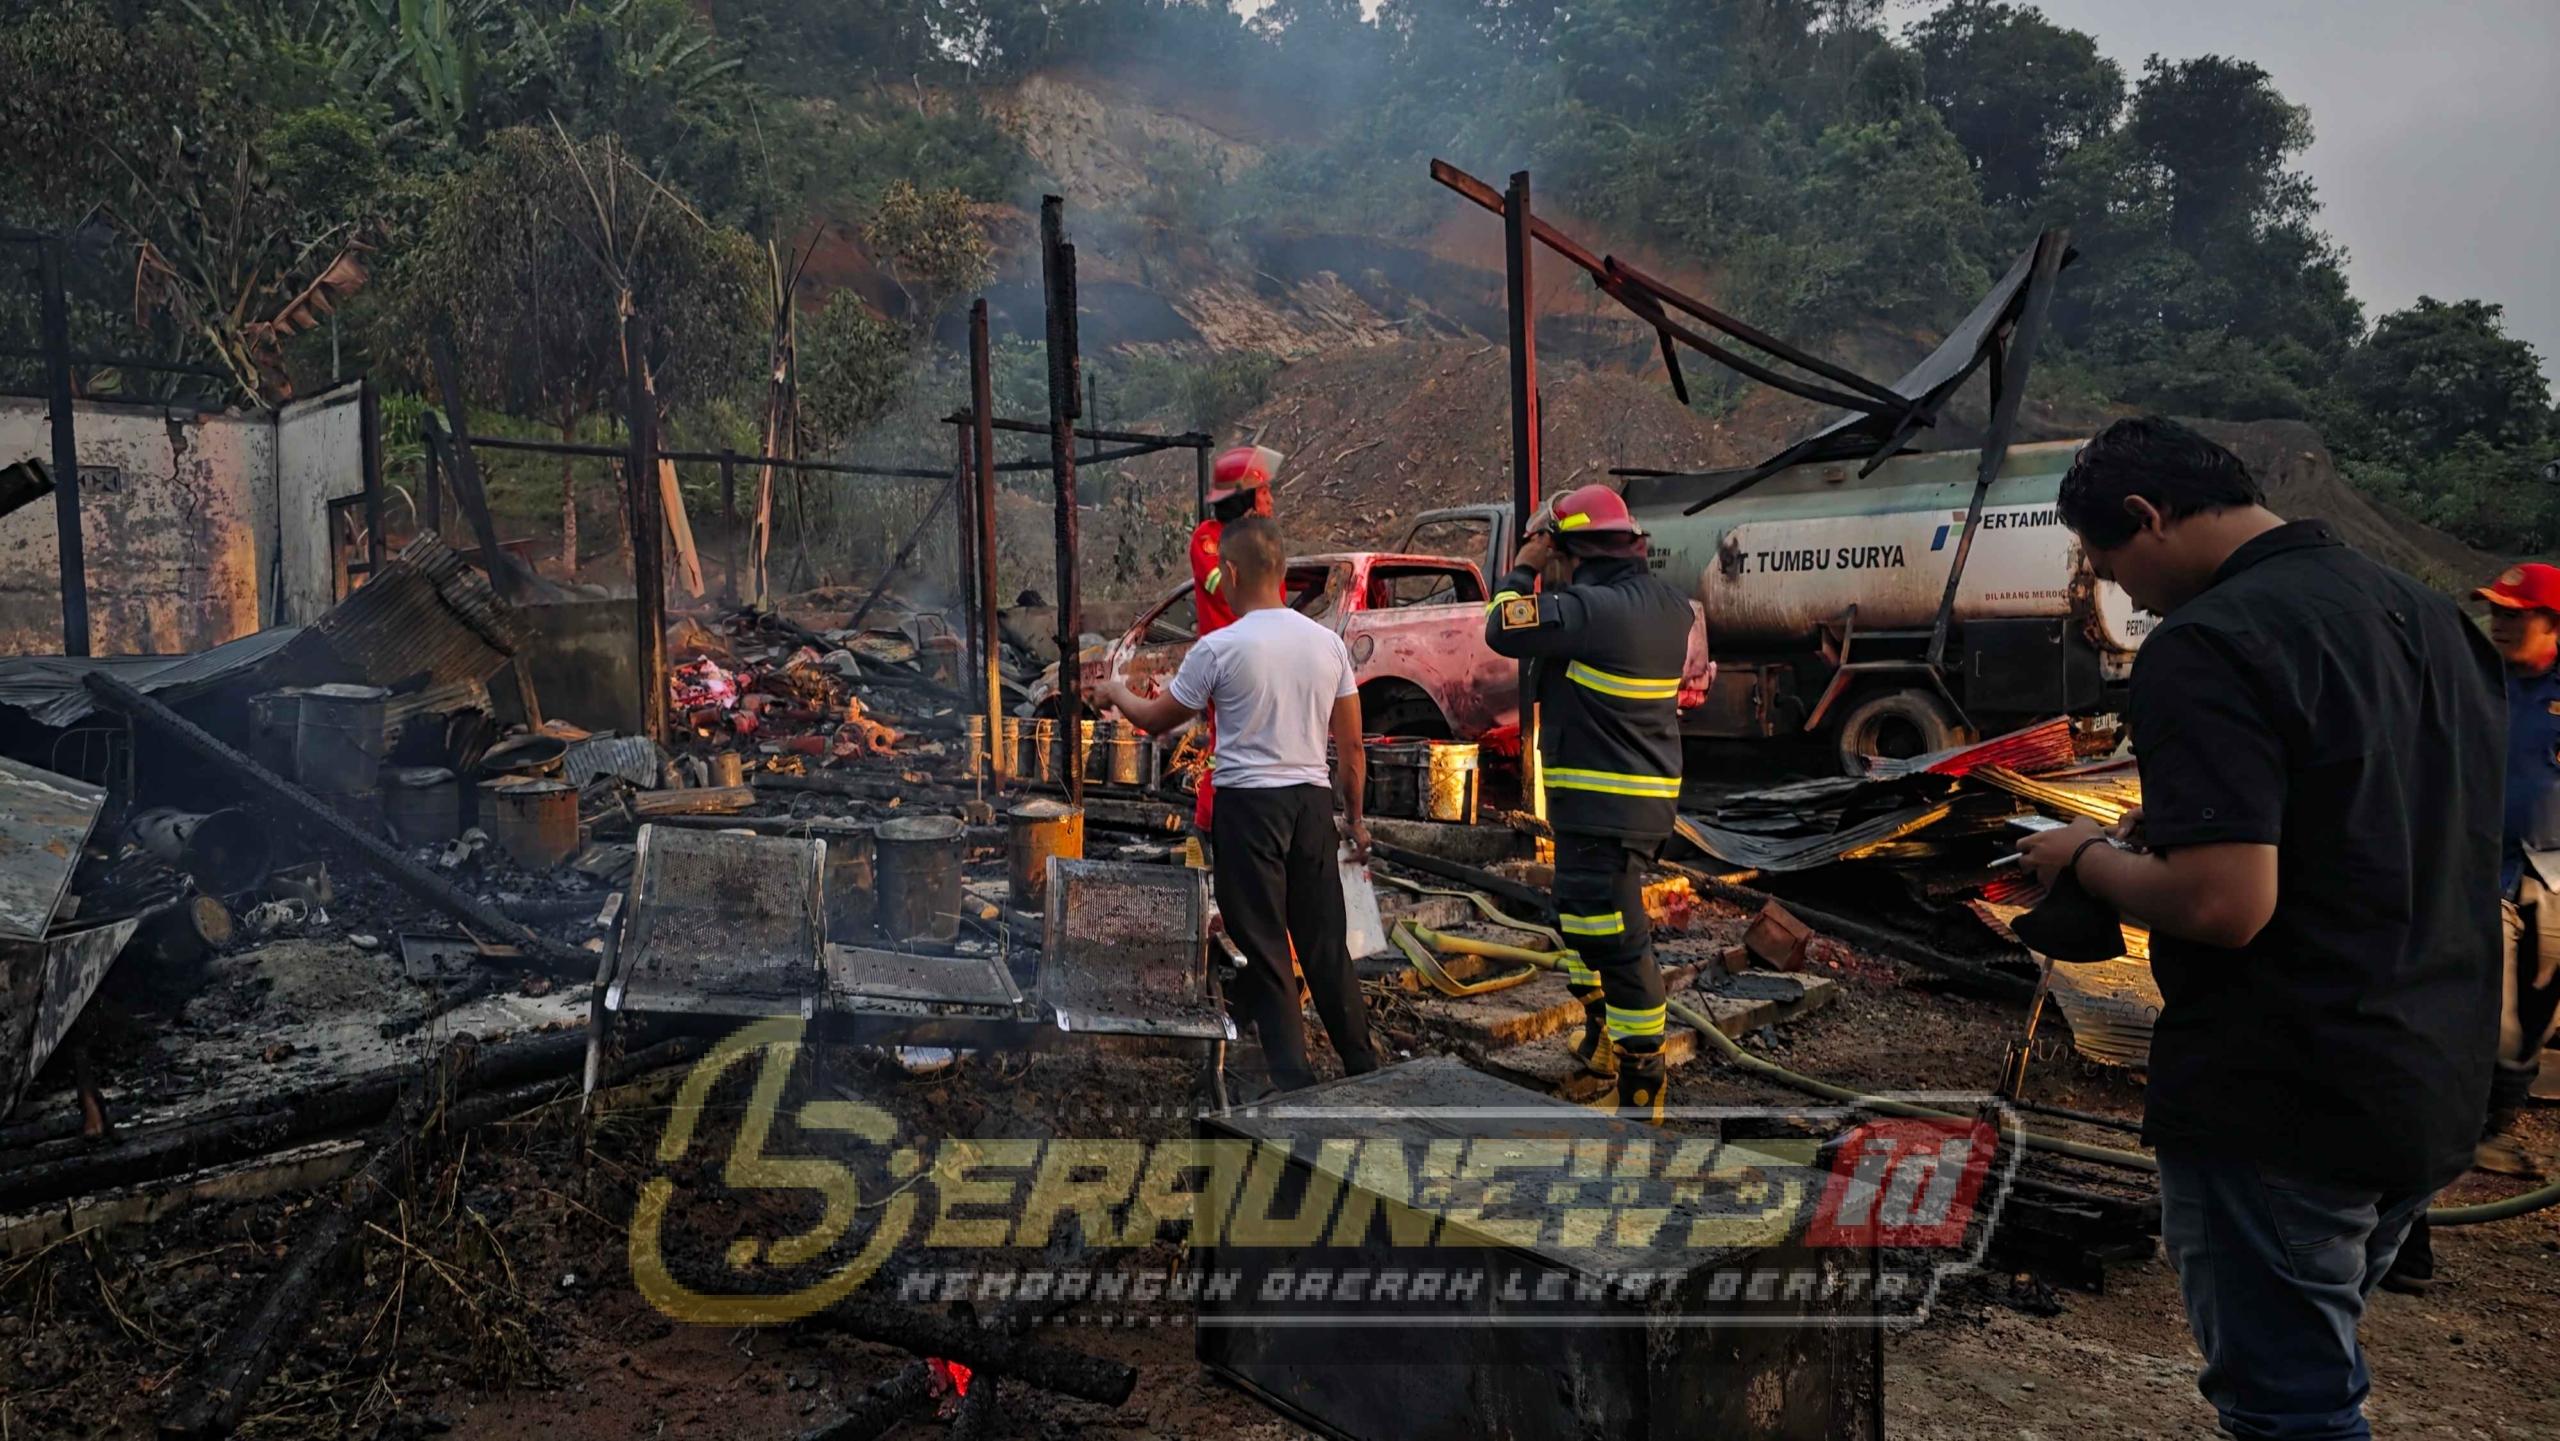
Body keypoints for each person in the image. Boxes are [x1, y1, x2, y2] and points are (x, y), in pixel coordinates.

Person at [2015, 417, 2502, 1441]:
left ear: (2148, 516)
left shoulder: (2207, 642)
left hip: (2287, 1091)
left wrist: (2082, 861)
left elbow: (2222, 905)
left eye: (2113, 563)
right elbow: (2385, 818)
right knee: (2314, 1355)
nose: (2126, 596)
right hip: (2430, 1069)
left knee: (2291, 1406)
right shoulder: (2426, 614)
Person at [1097, 514, 1380, 1095]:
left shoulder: (1218, 648)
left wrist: (1114, 691)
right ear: (1280, 569)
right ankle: (1364, 1072)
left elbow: (1154, 722)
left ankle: (1295, 1088)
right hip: (1311, 807)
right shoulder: (1327, 644)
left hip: (1248, 810)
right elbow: (1350, 747)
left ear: (1228, 572)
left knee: (1268, 953)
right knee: (1326, 949)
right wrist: (1354, 820)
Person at [1484, 484, 1692, 1122]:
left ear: (1570, 549)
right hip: (1614, 806)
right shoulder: (1666, 604)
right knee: (1582, 924)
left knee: (1621, 946)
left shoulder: (1591, 610)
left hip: (1609, 811)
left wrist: (1525, 563)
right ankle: (1606, 1049)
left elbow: (1502, 625)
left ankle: (1640, 1092)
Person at [2472, 561, 2560, 1175]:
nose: (2498, 624)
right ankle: (2467, 1129)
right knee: (2487, 1005)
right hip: (2479, 864)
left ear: (2551, 623)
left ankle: (2496, 1127)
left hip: (2554, 870)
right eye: (2495, 611)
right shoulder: (2476, 681)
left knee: (2538, 1010)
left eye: (2513, 613)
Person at [1185, 444, 1285, 833]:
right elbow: (1226, 593)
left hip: (1262, 655)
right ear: (1243, 498)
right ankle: (1207, 824)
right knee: (1225, 746)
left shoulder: (1264, 544)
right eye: (1263, 493)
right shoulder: (1208, 539)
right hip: (1227, 659)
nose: (1270, 500)